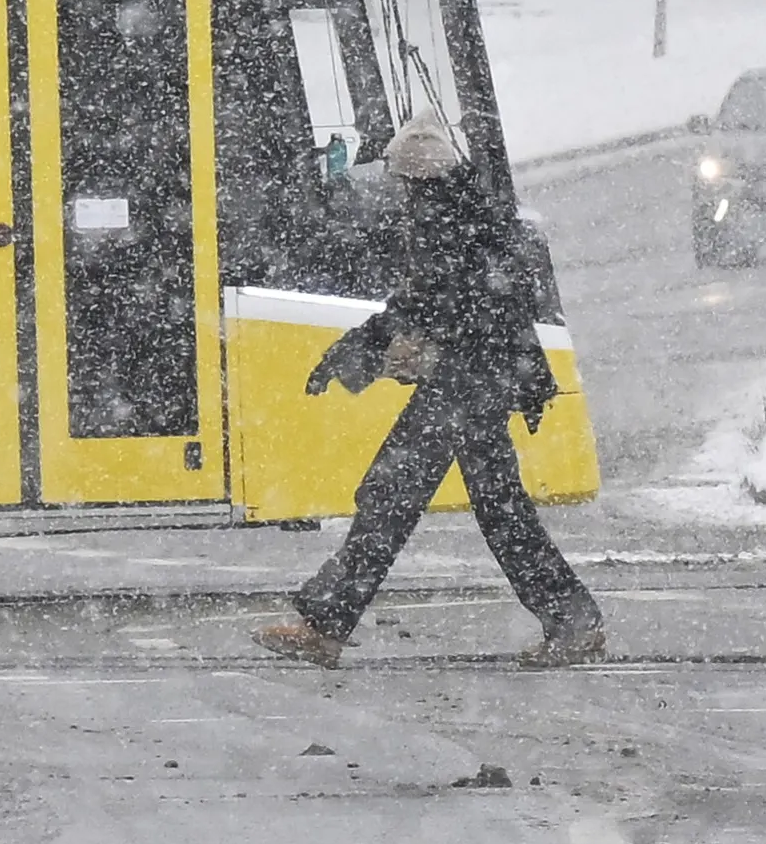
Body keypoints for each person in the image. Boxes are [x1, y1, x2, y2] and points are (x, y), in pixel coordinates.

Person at [256, 113, 604, 669]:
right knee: (491, 509)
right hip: (475, 382)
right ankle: (572, 620)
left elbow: (428, 306)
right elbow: (456, 305)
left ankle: (325, 625)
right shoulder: (466, 212)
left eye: (400, 180)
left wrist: (358, 352)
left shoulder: (448, 221)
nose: (397, 191)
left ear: (417, 178)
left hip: (467, 386)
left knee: (391, 496)